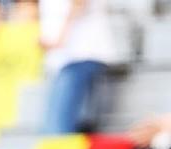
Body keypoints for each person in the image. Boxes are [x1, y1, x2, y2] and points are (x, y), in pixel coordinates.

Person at [38, 0, 116, 134]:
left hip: (80, 55)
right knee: (57, 127)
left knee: (57, 128)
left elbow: (78, 3)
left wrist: (59, 38)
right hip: (66, 59)